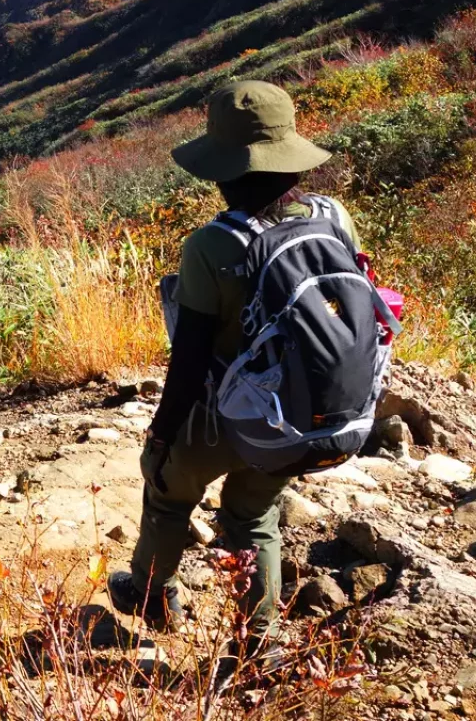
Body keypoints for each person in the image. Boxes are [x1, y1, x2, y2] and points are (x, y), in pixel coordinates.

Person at [109, 81, 361, 648]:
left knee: (169, 491)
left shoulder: (211, 246)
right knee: (254, 516)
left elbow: (191, 359)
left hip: (221, 413)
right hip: (303, 410)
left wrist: (161, 435)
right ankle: (261, 644)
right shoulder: (332, 216)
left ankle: (152, 592)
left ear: (222, 167)